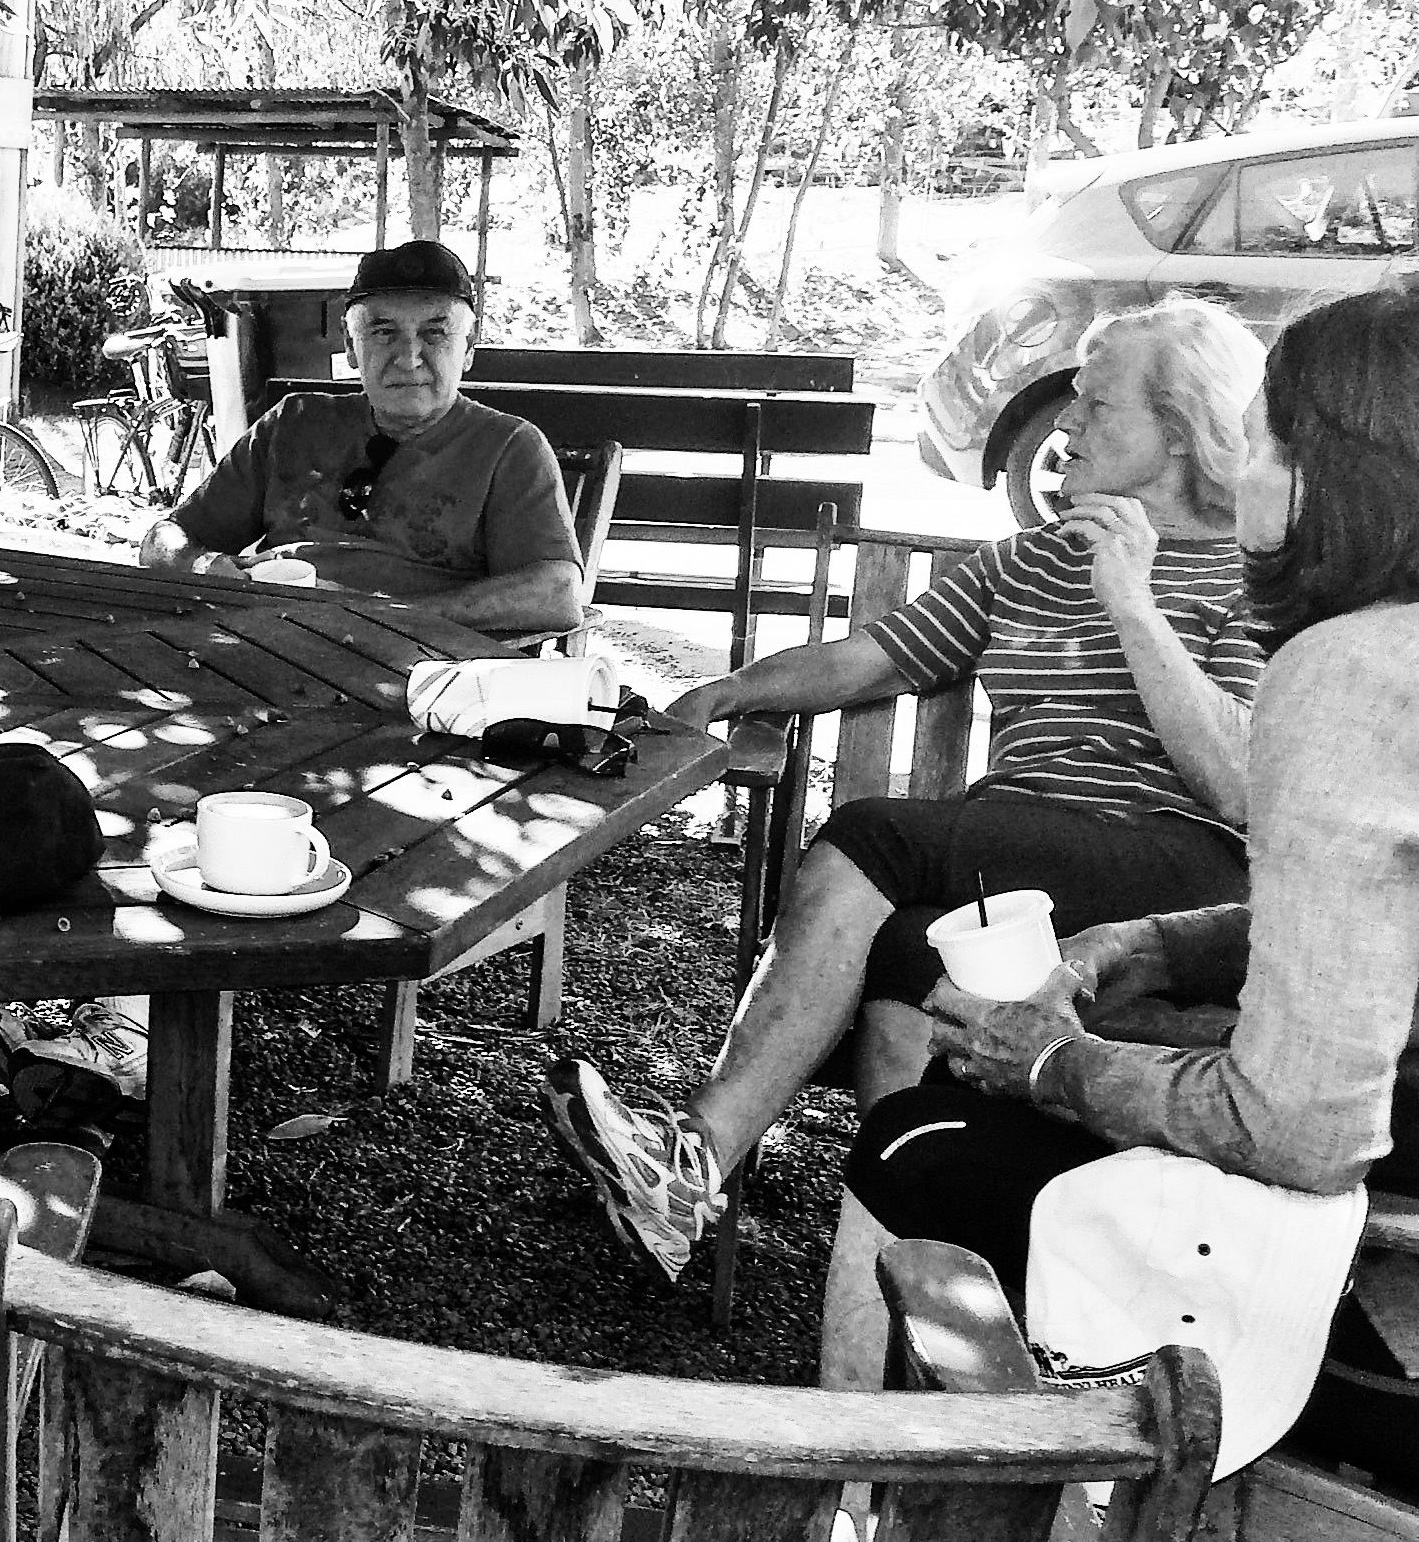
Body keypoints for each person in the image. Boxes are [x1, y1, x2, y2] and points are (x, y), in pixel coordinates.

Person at [846, 263, 1419, 1503]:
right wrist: (1158, 943)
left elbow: (1301, 1132)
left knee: (920, 1137)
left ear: (1331, 476)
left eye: (1263, 443)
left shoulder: (1353, 672)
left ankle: (881, 1523)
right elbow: (1401, 918)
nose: (1241, 473)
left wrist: (1055, 1063)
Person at [547, 298, 1269, 1280]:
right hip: (1018, 863)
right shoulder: (1028, 561)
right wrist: (724, 691)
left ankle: (698, 1156)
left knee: (871, 836)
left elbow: (1236, 786)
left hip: (1174, 875)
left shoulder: (1249, 577)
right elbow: (873, 656)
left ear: (1182, 431)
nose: (1064, 423)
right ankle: (915, 1269)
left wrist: (1132, 602)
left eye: (1097, 405)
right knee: (902, 949)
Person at [136, 240, 583, 637]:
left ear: (468, 349)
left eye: (435, 333)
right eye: (383, 332)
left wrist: (383, 618)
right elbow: (164, 539)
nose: (409, 357)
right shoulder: (293, 423)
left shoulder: (509, 448)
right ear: (351, 348)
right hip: (268, 641)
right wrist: (203, 566)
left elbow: (556, 594)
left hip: (412, 666)